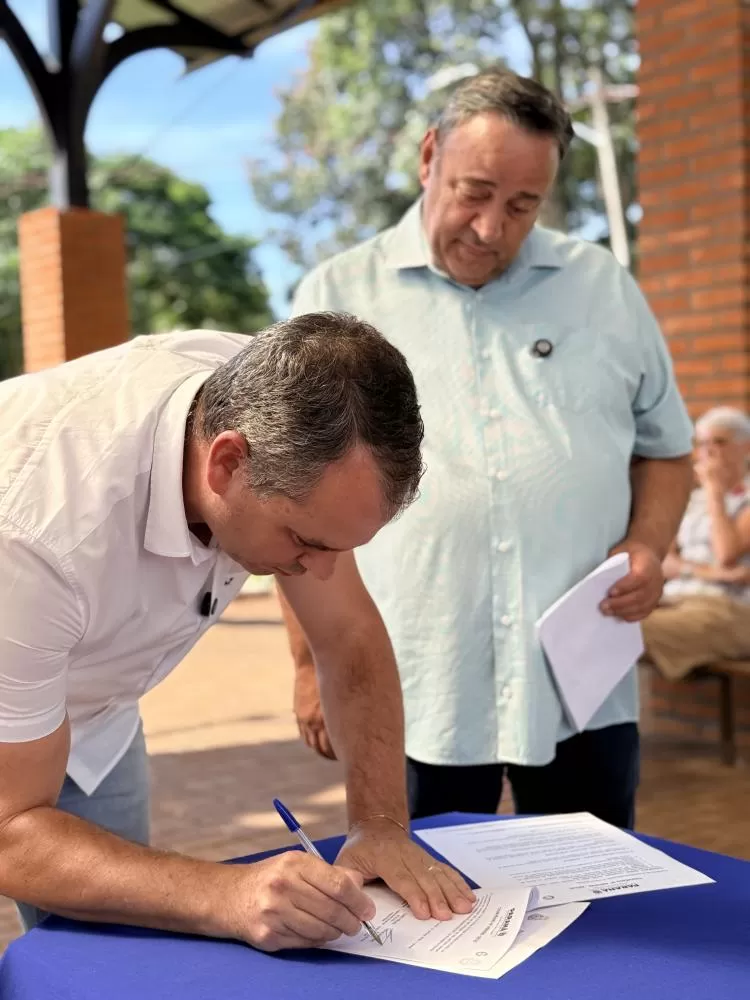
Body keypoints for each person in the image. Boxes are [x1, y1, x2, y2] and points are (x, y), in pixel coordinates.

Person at [280, 68, 695, 830]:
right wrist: (309, 666)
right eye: (474, 191)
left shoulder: (603, 288)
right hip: (410, 681)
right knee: (412, 910)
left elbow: (667, 450)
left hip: (581, 687)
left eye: (522, 205)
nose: (491, 228)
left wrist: (649, 544)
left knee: (595, 910)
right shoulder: (336, 295)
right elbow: (287, 497)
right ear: (429, 155)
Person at [0, 313, 475, 952]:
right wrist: (228, 894)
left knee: (112, 952)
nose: (324, 572)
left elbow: (349, 633)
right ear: (226, 462)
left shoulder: (274, 399)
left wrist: (382, 823)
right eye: (306, 541)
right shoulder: (35, 539)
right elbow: (9, 829)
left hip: (97, 712)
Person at [642, 406, 750, 679]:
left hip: (728, 609)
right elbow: (663, 561)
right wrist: (713, 573)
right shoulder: (693, 500)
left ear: (745, 447)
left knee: (627, 632)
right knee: (602, 622)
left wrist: (715, 492)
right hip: (676, 599)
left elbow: (727, 554)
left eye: (719, 442)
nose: (708, 451)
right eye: (701, 443)